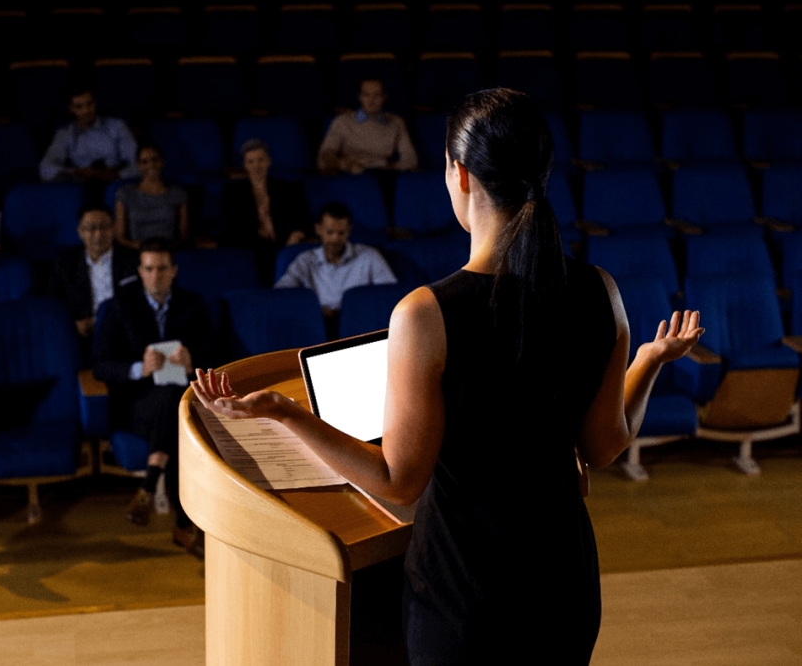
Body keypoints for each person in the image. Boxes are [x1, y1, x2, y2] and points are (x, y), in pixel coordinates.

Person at [193, 88, 704, 664]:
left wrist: (286, 414)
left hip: (469, 596)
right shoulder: (600, 292)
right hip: (565, 586)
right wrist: (647, 362)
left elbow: (397, 481)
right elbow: (604, 445)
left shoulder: (425, 315)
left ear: (460, 174)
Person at [93, 238, 210, 559]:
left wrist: (192, 362)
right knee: (177, 418)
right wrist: (137, 368)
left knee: (174, 403)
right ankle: (184, 528)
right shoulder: (119, 305)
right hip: (135, 404)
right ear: (140, 272)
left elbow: (216, 357)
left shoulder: (194, 304)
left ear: (173, 271)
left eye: (161, 268)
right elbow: (100, 365)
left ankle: (149, 485)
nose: (155, 275)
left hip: (176, 405)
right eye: (148, 269)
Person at [274, 201, 396, 338]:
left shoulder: (369, 256)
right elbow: (282, 294)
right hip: (315, 330)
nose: (335, 239)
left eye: (341, 233)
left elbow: (389, 295)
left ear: (349, 230)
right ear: (318, 229)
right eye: (329, 232)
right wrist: (314, 310)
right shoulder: (305, 260)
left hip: (361, 328)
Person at [47, 204, 140, 364]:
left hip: (124, 331)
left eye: (104, 227)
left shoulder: (133, 260)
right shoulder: (65, 262)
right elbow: (52, 302)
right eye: (90, 228)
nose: (98, 234)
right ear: (80, 232)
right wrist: (73, 324)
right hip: (83, 336)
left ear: (114, 228)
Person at [219, 138, 312, 284]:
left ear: (268, 161)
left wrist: (298, 233)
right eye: (251, 161)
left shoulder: (288, 189)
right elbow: (229, 231)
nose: (256, 166)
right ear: (245, 165)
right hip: (251, 250)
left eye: (260, 160)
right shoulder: (232, 193)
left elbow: (305, 221)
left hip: (285, 245)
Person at [38, 86, 139, 184]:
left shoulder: (117, 127)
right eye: (79, 107)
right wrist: (75, 172)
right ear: (70, 108)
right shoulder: (65, 134)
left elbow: (138, 163)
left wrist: (118, 174)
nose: (86, 111)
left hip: (115, 183)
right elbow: (45, 168)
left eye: (89, 104)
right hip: (80, 185)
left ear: (96, 102)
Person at [317, 77, 418, 175]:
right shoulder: (342, 121)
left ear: (384, 97)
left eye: (377, 95)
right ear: (360, 97)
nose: (371, 100)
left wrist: (389, 168)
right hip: (350, 176)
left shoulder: (396, 122)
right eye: (366, 95)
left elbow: (411, 160)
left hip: (383, 176)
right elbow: (324, 156)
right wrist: (345, 165)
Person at [114, 144, 189, 249]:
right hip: (136, 252)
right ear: (138, 165)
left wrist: (164, 247)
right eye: (145, 162)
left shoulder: (178, 194)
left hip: (168, 251)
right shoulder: (125, 194)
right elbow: (120, 237)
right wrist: (142, 246)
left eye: (155, 160)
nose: (151, 165)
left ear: (162, 161)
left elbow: (183, 237)